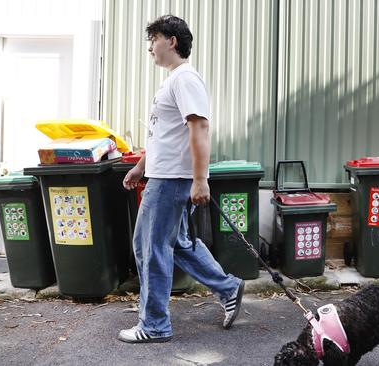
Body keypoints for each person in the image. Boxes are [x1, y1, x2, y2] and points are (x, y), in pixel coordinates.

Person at [118, 15, 244, 343]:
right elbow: (166, 135)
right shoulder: (173, 79)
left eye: (154, 39)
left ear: (171, 41)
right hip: (164, 175)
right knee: (178, 245)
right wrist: (141, 167)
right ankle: (229, 288)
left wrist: (200, 179)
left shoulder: (185, 79)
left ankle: (155, 324)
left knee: (149, 247)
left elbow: (199, 128)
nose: (150, 47)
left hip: (172, 180)